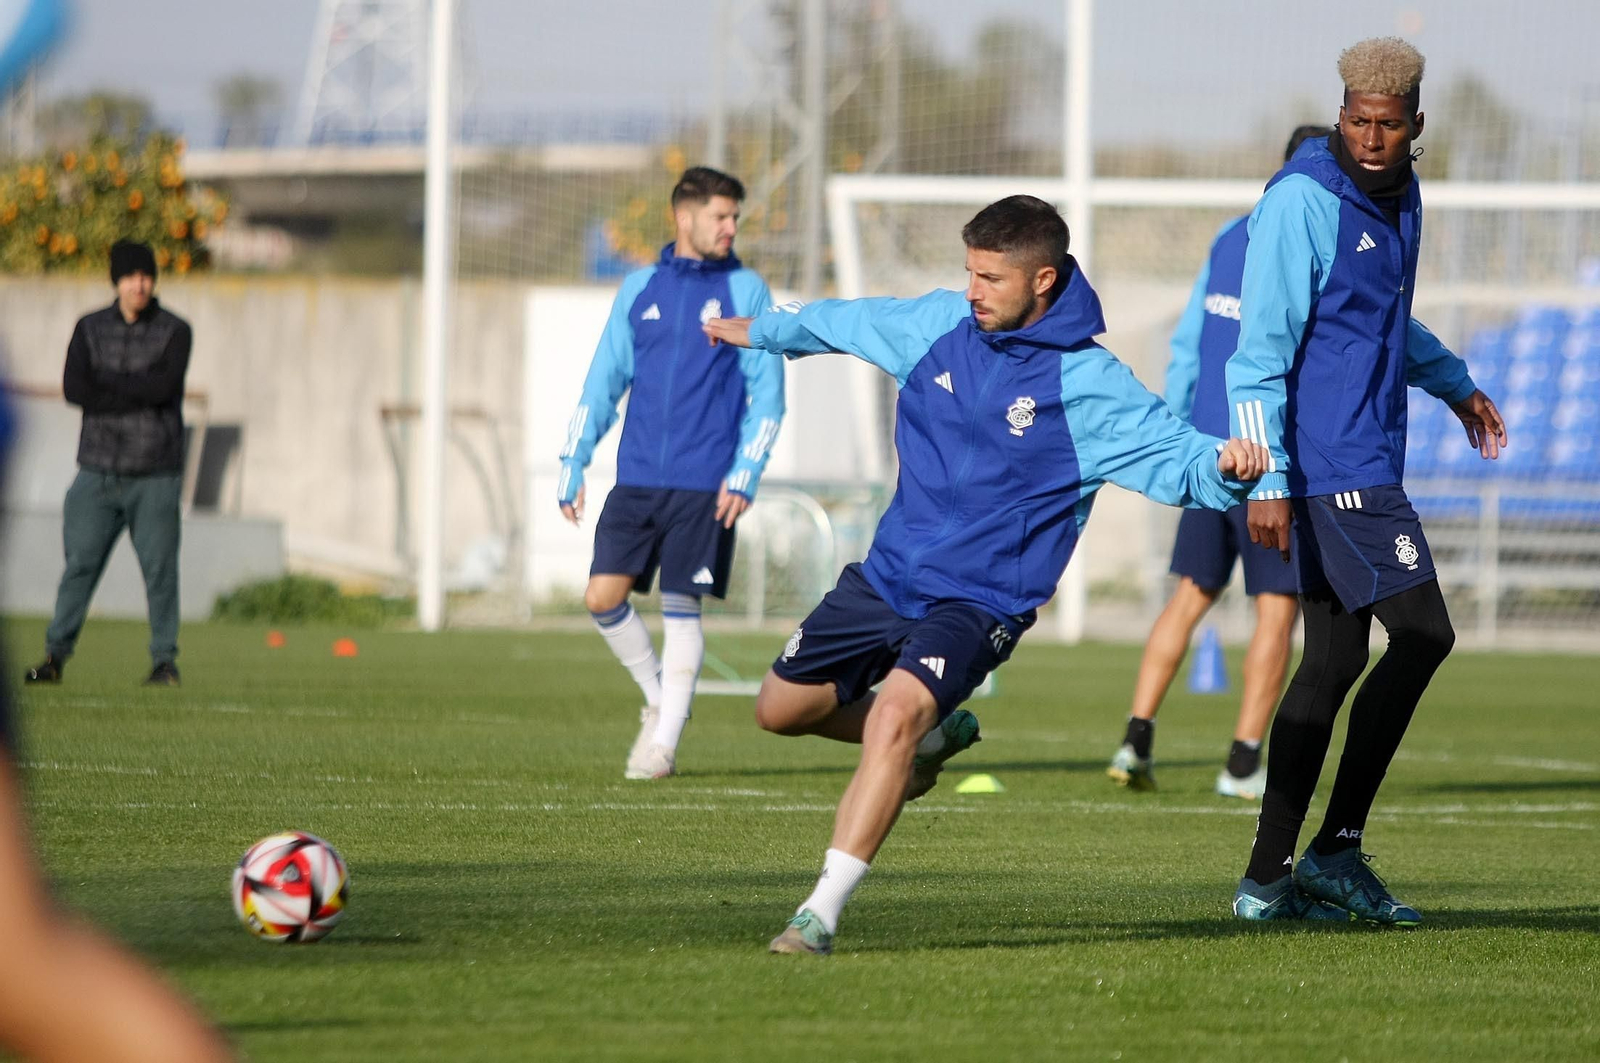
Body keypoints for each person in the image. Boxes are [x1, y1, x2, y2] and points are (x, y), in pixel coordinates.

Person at [704, 195, 1269, 955]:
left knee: (894, 714)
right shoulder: (940, 325)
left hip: (980, 600)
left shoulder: (1089, 383)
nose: (972, 289)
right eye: (969, 271)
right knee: (778, 708)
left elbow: (1173, 454)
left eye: (990, 277)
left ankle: (818, 913)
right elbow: (846, 320)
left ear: (1042, 280)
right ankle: (926, 744)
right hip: (888, 573)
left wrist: (1225, 465)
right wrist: (766, 333)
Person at [1226, 38, 1508, 924]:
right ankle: (1336, 849)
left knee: (1339, 657)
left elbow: (1383, 316)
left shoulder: (1403, 196)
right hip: (1331, 466)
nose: (1372, 137)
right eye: (1357, 121)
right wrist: (1263, 474)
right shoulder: (1302, 203)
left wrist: (1454, 381)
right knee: (1425, 634)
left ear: (1416, 124)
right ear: (1341, 112)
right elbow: (1257, 352)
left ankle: (1267, 881)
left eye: (1389, 124)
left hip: (1364, 457)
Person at [1108, 125, 1329, 800]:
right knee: (1275, 610)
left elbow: (1185, 344)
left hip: (1207, 452)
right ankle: (1242, 762)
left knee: (1190, 596)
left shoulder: (1229, 237)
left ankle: (1135, 738)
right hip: (1265, 459)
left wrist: (1175, 442)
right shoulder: (1318, 245)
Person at [558, 166, 784, 781]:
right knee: (601, 597)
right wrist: (573, 459)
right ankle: (658, 697)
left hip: (704, 482)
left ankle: (664, 744)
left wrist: (745, 471)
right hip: (636, 479)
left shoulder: (746, 290)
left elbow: (768, 394)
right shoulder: (639, 289)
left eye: (735, 216)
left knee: (683, 607)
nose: (731, 227)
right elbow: (603, 381)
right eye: (721, 216)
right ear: (684, 218)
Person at [25, 240, 192, 688]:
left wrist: (110, 386)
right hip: (97, 469)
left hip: (155, 469)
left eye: (146, 276)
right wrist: (133, 387)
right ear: (116, 280)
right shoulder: (89, 328)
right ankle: (55, 656)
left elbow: (163, 388)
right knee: (79, 563)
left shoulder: (175, 330)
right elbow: (75, 388)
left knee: (159, 570)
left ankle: (164, 661)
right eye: (131, 276)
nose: (139, 284)